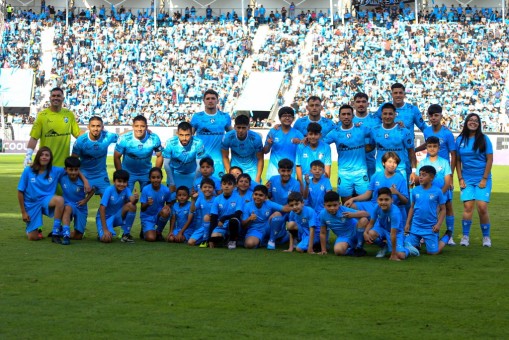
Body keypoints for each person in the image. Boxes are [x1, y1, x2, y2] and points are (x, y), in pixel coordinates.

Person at [456, 113, 493, 247]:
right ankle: (465, 236)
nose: (473, 122)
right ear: (466, 122)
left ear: (479, 124)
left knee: (482, 207)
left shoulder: (484, 139)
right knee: (467, 207)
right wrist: (460, 178)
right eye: (471, 120)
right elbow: (458, 161)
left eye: (476, 121)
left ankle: (486, 237)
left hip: (483, 177)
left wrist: (484, 179)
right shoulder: (460, 139)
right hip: (467, 178)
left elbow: (490, 159)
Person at [25, 87, 82, 167]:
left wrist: (92, 137)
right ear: (50, 98)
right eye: (53, 96)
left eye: (58, 96)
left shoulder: (69, 114)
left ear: (63, 98)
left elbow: (78, 134)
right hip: (46, 165)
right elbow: (34, 137)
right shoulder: (42, 116)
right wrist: (28, 155)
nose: (56, 98)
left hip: (64, 166)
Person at [324, 104, 370, 203]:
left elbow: (378, 133)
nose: (346, 116)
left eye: (348, 114)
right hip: (344, 173)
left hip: (360, 171)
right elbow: (320, 144)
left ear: (352, 116)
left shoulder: (361, 129)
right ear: (339, 116)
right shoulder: (334, 133)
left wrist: (397, 125)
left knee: (364, 202)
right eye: (343, 114)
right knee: (346, 204)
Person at [18, 147, 65, 241]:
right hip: (31, 204)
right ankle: (32, 229)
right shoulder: (28, 171)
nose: (44, 157)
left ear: (50, 158)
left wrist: (85, 181)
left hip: (46, 200)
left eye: (47, 155)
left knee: (60, 200)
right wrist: (23, 212)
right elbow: (20, 191)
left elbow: (72, 169)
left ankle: (56, 231)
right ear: (38, 157)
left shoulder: (55, 171)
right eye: (41, 155)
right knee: (33, 238)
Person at [417, 136, 455, 245]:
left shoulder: (444, 162)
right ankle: (426, 234)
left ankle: (449, 235)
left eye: (435, 146)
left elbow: (447, 181)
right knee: (430, 212)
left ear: (439, 147)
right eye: (429, 146)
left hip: (443, 193)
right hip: (428, 194)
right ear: (426, 148)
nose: (432, 148)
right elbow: (420, 179)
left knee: (448, 209)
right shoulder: (423, 163)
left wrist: (440, 194)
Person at [405, 165, 451, 255]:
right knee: (407, 247)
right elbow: (412, 207)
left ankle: (446, 236)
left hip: (430, 227)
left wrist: (438, 225)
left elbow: (443, 209)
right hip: (416, 226)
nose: (421, 177)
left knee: (432, 252)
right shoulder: (415, 191)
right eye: (420, 174)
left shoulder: (438, 191)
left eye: (424, 175)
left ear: (432, 177)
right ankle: (416, 243)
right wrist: (407, 223)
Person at [364, 187, 419, 260]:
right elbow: (371, 223)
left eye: (386, 199)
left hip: (396, 233)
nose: (383, 202)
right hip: (382, 229)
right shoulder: (376, 207)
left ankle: (409, 248)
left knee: (401, 256)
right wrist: (365, 233)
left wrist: (393, 254)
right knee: (370, 233)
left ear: (392, 200)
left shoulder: (395, 213)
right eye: (381, 199)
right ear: (377, 200)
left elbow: (393, 234)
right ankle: (384, 246)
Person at [72, 116, 118, 197]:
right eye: (93, 126)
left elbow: (122, 136)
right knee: (77, 202)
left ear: (102, 127)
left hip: (101, 176)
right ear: (88, 127)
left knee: (109, 202)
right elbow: (73, 163)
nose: (96, 129)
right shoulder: (80, 141)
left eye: (98, 126)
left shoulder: (107, 136)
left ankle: (101, 210)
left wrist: (137, 131)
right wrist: (84, 180)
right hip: (84, 175)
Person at [114, 115, 163, 191]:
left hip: (146, 173)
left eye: (142, 126)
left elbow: (160, 156)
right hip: (127, 173)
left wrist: (156, 172)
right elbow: (116, 157)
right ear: (133, 126)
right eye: (136, 126)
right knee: (125, 199)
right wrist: (120, 175)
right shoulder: (124, 138)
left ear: (146, 127)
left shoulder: (154, 138)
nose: (139, 129)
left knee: (148, 199)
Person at [369, 103, 416, 182]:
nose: (387, 116)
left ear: (395, 115)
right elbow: (370, 147)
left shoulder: (404, 131)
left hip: (399, 171)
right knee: (380, 194)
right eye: (385, 114)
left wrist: (414, 171)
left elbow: (411, 152)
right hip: (380, 171)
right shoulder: (374, 130)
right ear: (381, 115)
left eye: (390, 114)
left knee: (400, 194)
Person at [191, 89, 232, 177]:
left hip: (219, 160)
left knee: (219, 187)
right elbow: (189, 137)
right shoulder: (197, 117)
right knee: (201, 186)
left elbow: (232, 135)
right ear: (204, 101)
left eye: (213, 98)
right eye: (208, 98)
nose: (210, 101)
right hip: (201, 159)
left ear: (217, 100)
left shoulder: (225, 117)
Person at [318, 191, 370, 256]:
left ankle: (359, 247)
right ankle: (352, 250)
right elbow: (323, 233)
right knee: (338, 251)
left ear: (339, 204)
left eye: (335, 205)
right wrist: (323, 250)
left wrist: (352, 215)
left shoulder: (344, 210)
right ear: (324, 205)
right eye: (329, 206)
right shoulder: (323, 214)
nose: (332, 208)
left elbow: (366, 214)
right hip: (344, 237)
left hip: (356, 232)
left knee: (363, 220)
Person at [266, 158, 301, 250]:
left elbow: (296, 202)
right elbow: (268, 196)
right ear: (278, 170)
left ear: (292, 171)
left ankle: (295, 238)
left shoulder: (296, 184)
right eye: (283, 171)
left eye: (288, 171)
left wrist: (287, 208)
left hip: (291, 211)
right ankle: (272, 240)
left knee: (296, 217)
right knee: (275, 217)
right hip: (276, 210)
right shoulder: (273, 179)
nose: (286, 173)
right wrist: (266, 189)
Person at [241, 185, 291, 249]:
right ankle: (266, 241)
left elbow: (285, 209)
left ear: (265, 197)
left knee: (277, 214)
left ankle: (271, 241)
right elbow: (243, 225)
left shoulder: (268, 203)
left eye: (261, 195)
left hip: (267, 227)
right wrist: (249, 219)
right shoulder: (247, 206)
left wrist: (299, 207)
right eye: (255, 194)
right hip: (255, 229)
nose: (257, 197)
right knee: (249, 244)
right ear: (252, 195)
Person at [96, 169, 139, 243]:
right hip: (105, 218)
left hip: (117, 216)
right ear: (114, 181)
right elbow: (102, 208)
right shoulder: (109, 190)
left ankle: (126, 234)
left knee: (132, 206)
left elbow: (132, 202)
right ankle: (102, 231)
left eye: (124, 182)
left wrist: (136, 199)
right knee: (106, 239)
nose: (122, 184)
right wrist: (105, 230)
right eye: (119, 181)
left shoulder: (126, 189)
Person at [59, 156, 95, 244]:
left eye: (76, 170)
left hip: (81, 207)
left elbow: (93, 189)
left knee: (78, 236)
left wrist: (85, 200)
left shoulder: (84, 181)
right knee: (67, 208)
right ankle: (66, 234)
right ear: (66, 169)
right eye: (71, 169)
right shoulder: (62, 177)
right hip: (68, 204)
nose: (73, 172)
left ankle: (61, 232)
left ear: (78, 170)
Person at [163, 121, 205, 192]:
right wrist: (171, 183)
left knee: (195, 199)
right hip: (175, 174)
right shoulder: (170, 143)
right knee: (171, 200)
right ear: (177, 134)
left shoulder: (198, 143)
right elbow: (166, 164)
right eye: (181, 135)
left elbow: (199, 165)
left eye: (187, 135)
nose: (184, 138)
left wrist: (194, 183)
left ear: (192, 134)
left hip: (193, 174)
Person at [263, 106, 303, 180]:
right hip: (274, 169)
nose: (287, 118)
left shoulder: (297, 133)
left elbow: (306, 146)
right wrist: (269, 144)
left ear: (293, 118)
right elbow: (265, 151)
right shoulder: (273, 131)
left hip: (290, 169)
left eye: (290, 116)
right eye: (284, 116)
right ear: (279, 118)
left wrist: (300, 142)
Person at [221, 115, 264, 184]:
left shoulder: (256, 138)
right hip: (235, 167)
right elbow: (225, 157)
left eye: (243, 128)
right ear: (234, 127)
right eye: (238, 127)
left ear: (248, 127)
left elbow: (260, 159)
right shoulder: (228, 137)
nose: (241, 130)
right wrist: (230, 172)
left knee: (254, 191)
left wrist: (258, 178)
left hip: (252, 168)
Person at [207, 174, 243, 249]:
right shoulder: (217, 199)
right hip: (220, 226)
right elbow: (213, 218)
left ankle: (232, 241)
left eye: (229, 184)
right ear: (221, 185)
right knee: (214, 238)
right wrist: (210, 238)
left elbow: (238, 214)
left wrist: (224, 218)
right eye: (224, 184)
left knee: (233, 220)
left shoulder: (238, 198)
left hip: (233, 225)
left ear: (234, 186)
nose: (226, 186)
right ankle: (225, 239)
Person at [140, 167, 172, 242]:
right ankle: (144, 231)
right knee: (151, 238)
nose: (156, 180)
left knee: (166, 211)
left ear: (161, 178)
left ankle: (158, 232)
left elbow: (169, 203)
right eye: (153, 177)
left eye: (158, 177)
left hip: (159, 214)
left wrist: (168, 206)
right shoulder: (145, 189)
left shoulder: (166, 190)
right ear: (150, 178)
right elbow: (142, 208)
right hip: (147, 217)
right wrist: (147, 203)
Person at [352, 92, 380, 178]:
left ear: (368, 104)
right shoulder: (348, 120)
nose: (361, 104)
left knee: (371, 189)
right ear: (353, 104)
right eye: (358, 102)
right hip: (352, 164)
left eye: (363, 102)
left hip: (370, 163)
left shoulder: (376, 120)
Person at [190, 178, 216, 247]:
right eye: (205, 187)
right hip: (202, 226)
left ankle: (206, 239)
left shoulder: (216, 199)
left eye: (210, 187)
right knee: (190, 242)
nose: (207, 189)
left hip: (213, 226)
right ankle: (205, 239)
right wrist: (193, 200)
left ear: (213, 189)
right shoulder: (200, 198)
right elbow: (192, 210)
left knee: (207, 217)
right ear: (201, 189)